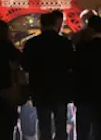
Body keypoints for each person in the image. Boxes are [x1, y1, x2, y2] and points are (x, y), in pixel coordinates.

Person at [21, 12, 75, 140]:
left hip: (40, 89)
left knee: (44, 125)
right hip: (60, 89)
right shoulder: (65, 43)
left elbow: (25, 66)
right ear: (56, 23)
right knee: (61, 125)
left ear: (42, 24)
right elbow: (72, 65)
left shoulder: (32, 44)